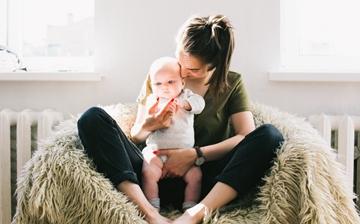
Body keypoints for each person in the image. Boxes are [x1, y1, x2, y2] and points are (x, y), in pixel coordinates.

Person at [77, 14, 284, 224]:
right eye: (180, 60)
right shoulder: (162, 73)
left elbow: (244, 136)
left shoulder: (232, 83)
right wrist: (150, 125)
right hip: (151, 172)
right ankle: (148, 213)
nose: (183, 72)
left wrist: (195, 155)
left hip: (202, 181)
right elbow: (136, 137)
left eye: (193, 69)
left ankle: (194, 215)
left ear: (215, 66)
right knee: (91, 118)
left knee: (270, 135)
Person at [141, 56, 205, 212]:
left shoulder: (186, 97)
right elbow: (147, 117)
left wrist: (186, 104)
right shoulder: (153, 99)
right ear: (152, 85)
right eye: (158, 83)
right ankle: (152, 205)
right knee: (147, 172)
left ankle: (189, 206)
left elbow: (200, 104)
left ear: (182, 82)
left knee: (196, 176)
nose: (164, 87)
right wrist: (156, 111)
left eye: (170, 82)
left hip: (184, 154)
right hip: (157, 152)